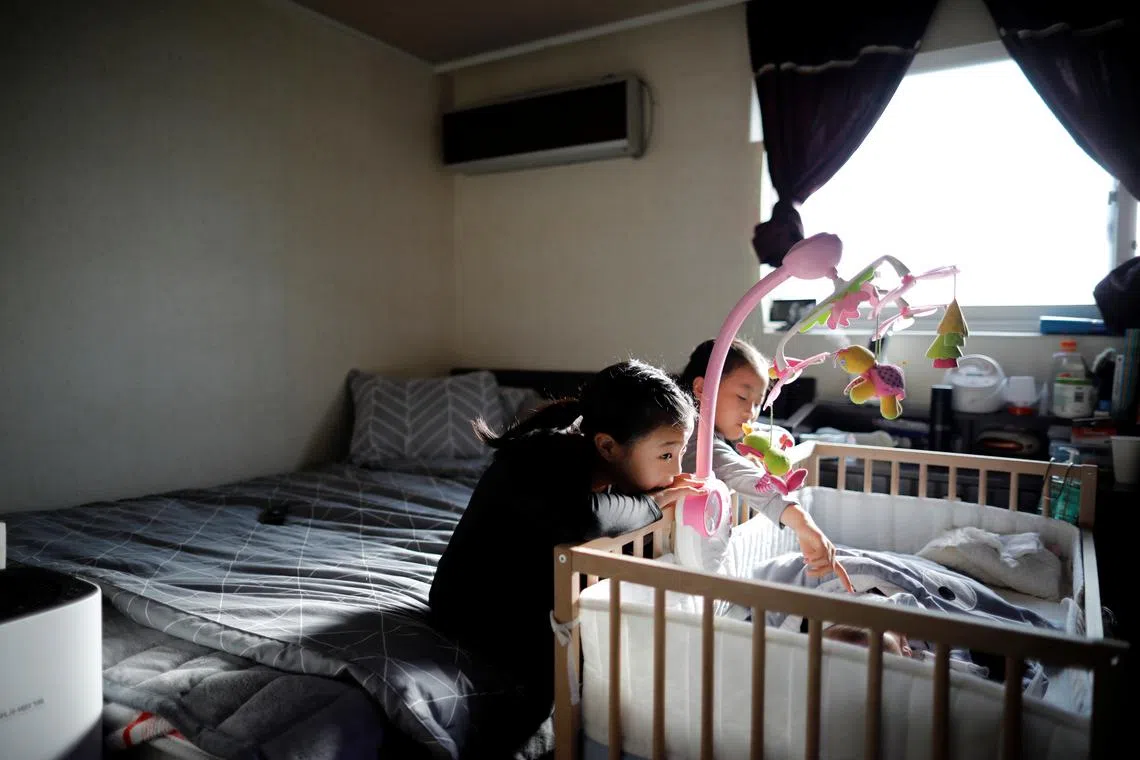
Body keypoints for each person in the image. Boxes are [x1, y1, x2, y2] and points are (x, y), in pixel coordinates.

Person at [429, 359, 705, 756]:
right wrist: (653, 505)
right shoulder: (544, 455)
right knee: (562, 673)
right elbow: (588, 516)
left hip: (518, 596)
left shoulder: (592, 460)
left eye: (680, 454)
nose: (677, 470)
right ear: (607, 446)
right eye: (666, 455)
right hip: (469, 609)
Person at [678, 338, 851, 588]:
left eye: (758, 403)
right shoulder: (692, 437)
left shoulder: (718, 428)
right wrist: (803, 523)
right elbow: (739, 471)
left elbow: (770, 435)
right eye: (742, 397)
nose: (751, 412)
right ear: (703, 389)